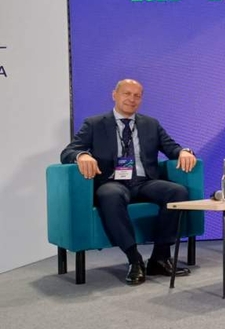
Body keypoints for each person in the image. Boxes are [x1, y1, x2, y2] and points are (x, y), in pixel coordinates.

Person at [60, 79, 197, 285]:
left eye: (137, 95)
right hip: (112, 181)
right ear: (114, 95)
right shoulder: (94, 124)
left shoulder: (151, 124)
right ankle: (134, 259)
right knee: (110, 195)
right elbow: (67, 152)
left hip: (144, 181)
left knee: (177, 192)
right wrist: (82, 156)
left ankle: (160, 257)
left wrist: (184, 152)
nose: (131, 99)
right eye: (127, 94)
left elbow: (171, 147)